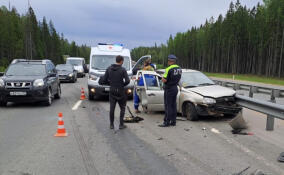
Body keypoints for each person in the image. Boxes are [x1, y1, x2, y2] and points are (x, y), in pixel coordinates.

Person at [99, 55, 130, 129]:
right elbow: (127, 81)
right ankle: (121, 124)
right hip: (120, 91)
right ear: (121, 61)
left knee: (112, 108)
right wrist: (122, 85)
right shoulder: (123, 70)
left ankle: (111, 125)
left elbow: (104, 80)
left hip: (112, 91)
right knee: (122, 108)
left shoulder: (109, 69)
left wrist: (110, 84)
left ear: (116, 60)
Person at [159, 54, 182, 127]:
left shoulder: (168, 69)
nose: (168, 62)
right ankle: (173, 121)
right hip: (175, 88)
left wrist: (162, 78)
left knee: (168, 105)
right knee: (173, 105)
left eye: (168, 61)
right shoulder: (179, 68)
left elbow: (164, 80)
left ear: (170, 61)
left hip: (169, 88)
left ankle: (166, 122)